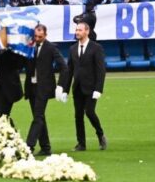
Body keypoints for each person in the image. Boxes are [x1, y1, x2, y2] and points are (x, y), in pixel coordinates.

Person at [24, 24, 69, 156]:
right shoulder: (29, 47)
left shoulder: (51, 48)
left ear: (45, 35)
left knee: (37, 117)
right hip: (31, 87)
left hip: (43, 88)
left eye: (40, 36)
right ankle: (45, 147)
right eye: (36, 36)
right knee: (39, 117)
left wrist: (60, 86)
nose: (37, 38)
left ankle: (28, 147)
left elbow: (64, 67)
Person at [62, 21, 107, 151]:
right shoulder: (72, 49)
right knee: (78, 115)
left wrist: (99, 89)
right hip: (77, 88)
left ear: (87, 31)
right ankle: (81, 143)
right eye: (76, 30)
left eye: (80, 30)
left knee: (90, 112)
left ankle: (100, 134)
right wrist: (65, 89)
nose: (77, 32)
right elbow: (69, 70)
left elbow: (101, 70)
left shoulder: (96, 48)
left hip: (91, 88)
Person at [0, 49, 25, 118]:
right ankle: (11, 129)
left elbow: (20, 64)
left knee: (1, 114)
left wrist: (7, 50)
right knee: (2, 115)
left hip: (8, 86)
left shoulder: (10, 50)